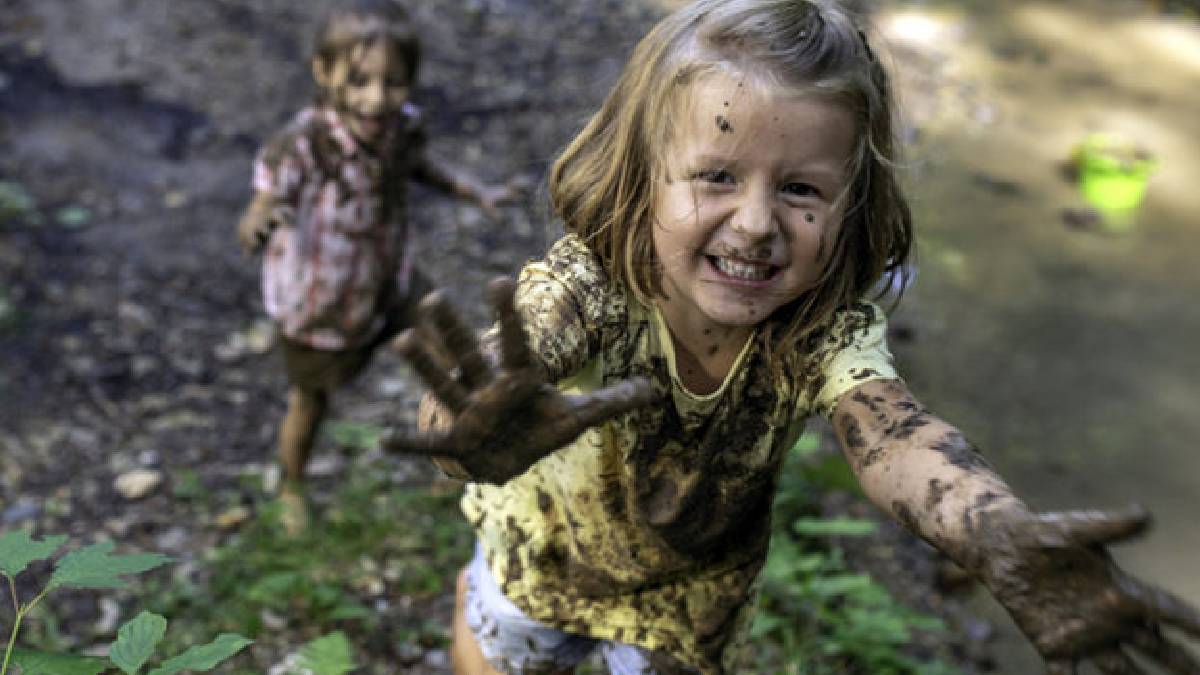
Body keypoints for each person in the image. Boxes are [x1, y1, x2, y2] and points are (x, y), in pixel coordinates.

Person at [383, 0, 1200, 672]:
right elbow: (487, 378)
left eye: (803, 188)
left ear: (853, 205)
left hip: (687, 600)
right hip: (543, 552)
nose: (756, 223)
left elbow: (896, 438)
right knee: (495, 646)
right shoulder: (596, 281)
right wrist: (466, 433)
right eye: (717, 176)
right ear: (641, 176)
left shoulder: (818, 330)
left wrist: (991, 532)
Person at [236, 0, 521, 533]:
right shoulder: (303, 144)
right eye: (360, 80)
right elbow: (263, 197)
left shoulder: (403, 126)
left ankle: (458, 455)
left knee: (452, 354)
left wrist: (473, 190)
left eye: (393, 83)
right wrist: (259, 221)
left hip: (390, 276)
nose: (376, 98)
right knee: (311, 400)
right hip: (321, 300)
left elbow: (416, 166)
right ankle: (292, 484)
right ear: (323, 72)